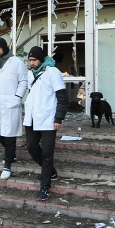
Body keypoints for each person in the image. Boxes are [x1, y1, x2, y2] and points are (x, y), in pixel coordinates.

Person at [23, 46, 68, 201]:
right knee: (31, 146)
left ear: (41, 59)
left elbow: (62, 97)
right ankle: (51, 172)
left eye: (34, 60)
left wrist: (58, 118)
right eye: (30, 60)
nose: (32, 63)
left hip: (48, 119)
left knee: (47, 154)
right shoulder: (31, 74)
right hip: (32, 118)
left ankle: (45, 186)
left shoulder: (52, 72)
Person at [0, 38, 28, 180]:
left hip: (11, 103)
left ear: (4, 47)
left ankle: (7, 164)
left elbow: (23, 82)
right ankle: (12, 153)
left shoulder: (16, 62)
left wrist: (17, 97)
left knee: (9, 135)